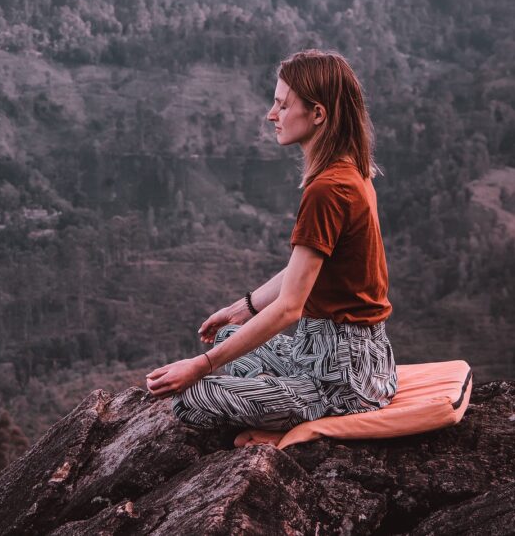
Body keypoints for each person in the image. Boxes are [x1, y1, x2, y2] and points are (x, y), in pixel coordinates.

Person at [145, 49, 398, 430]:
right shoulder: (350, 172)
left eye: (282, 104)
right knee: (230, 336)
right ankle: (273, 401)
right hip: (353, 357)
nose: (271, 114)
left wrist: (201, 365)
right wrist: (245, 307)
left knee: (192, 397)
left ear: (318, 114)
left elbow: (288, 309)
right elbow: (306, 268)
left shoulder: (328, 189)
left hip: (339, 381)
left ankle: (287, 416)